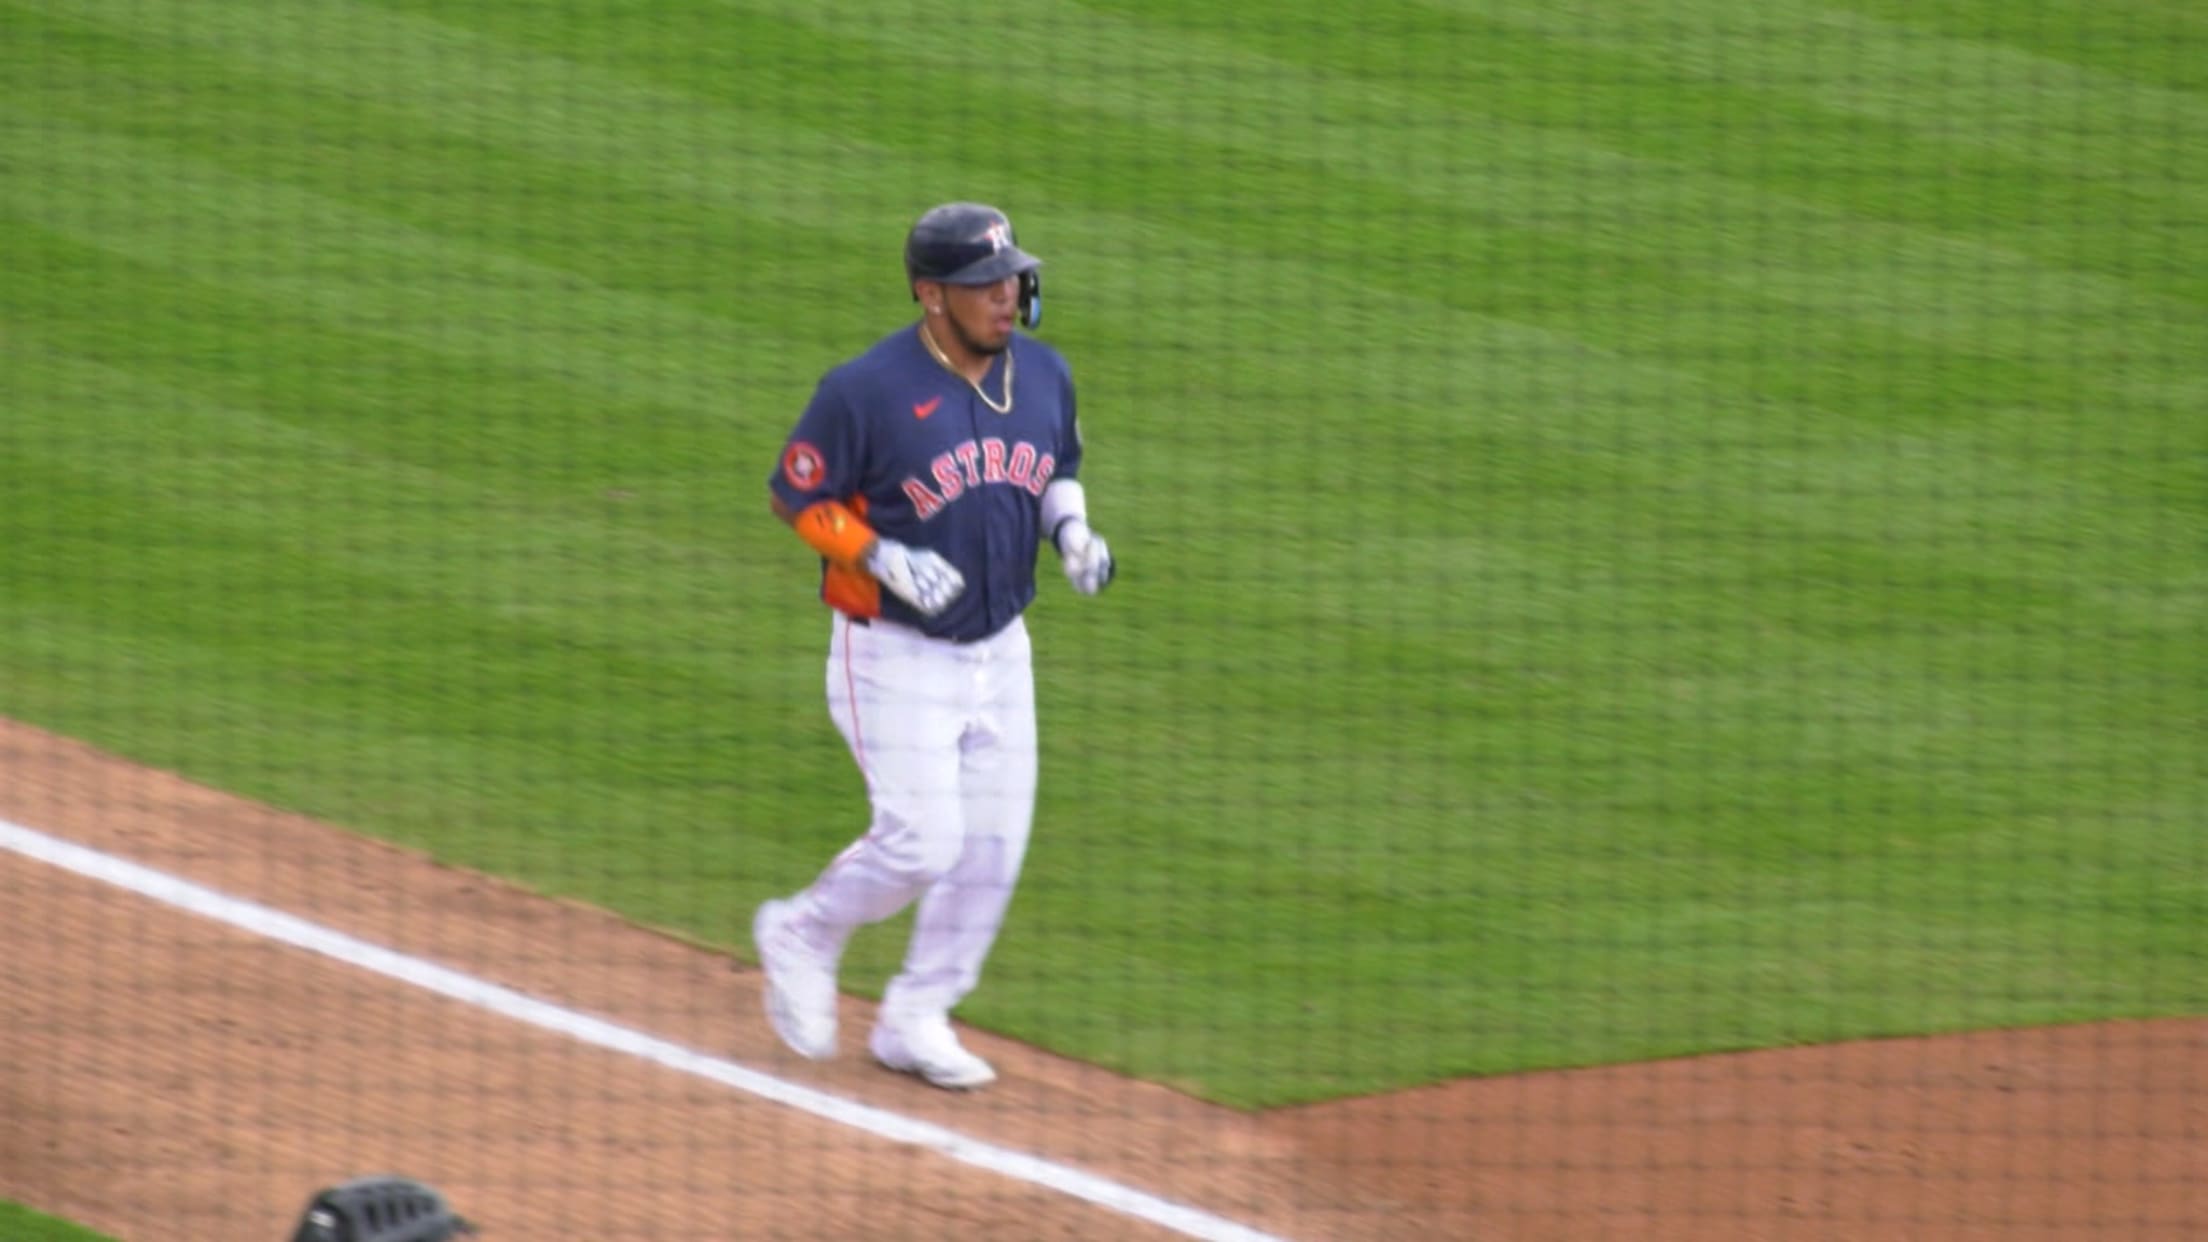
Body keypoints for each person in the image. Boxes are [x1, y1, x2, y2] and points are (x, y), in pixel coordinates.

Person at [752, 202, 1115, 1090]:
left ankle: (917, 1015)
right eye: (981, 284)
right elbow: (797, 496)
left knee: (992, 847)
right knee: (923, 841)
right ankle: (802, 931)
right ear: (930, 296)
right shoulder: (864, 391)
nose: (1005, 296)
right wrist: (878, 554)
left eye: (1009, 277)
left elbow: (1054, 470)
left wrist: (1071, 532)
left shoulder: (1043, 375)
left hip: (1003, 650)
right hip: (892, 652)